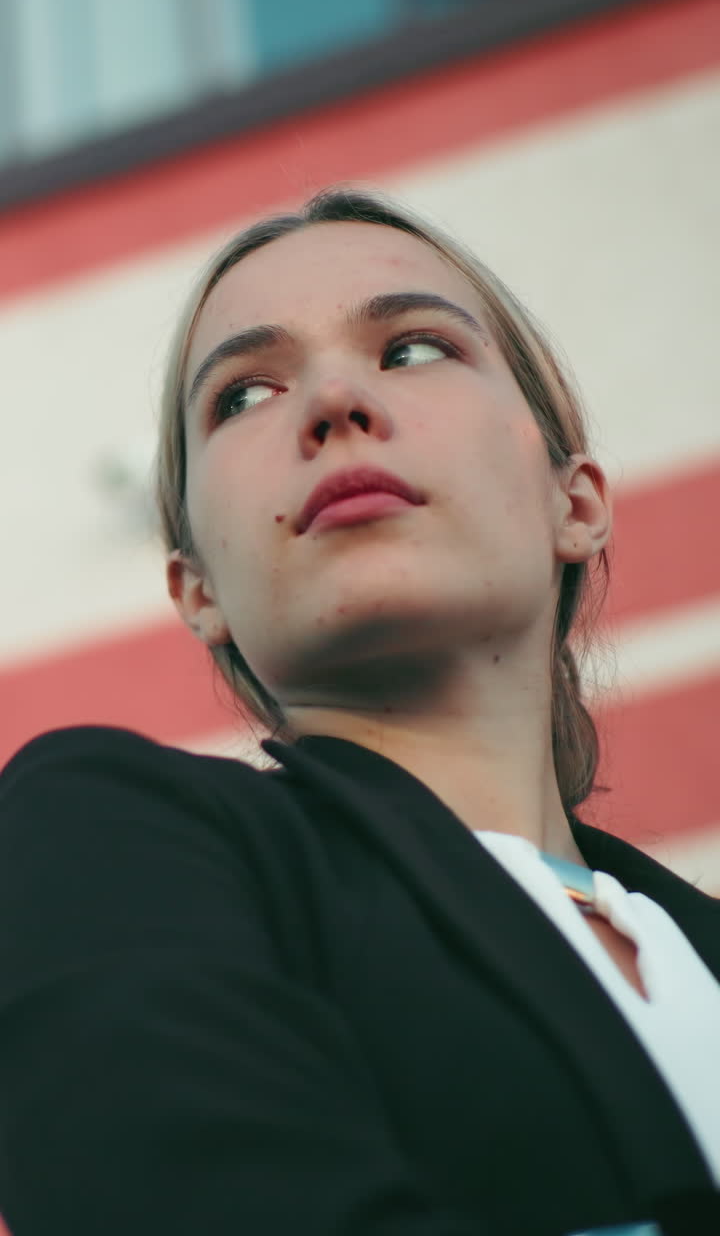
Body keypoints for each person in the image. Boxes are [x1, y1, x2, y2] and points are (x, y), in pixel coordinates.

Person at [0, 187, 717, 1236]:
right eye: (242, 395)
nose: (334, 402)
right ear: (198, 587)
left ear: (576, 500)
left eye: (414, 348)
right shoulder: (104, 833)